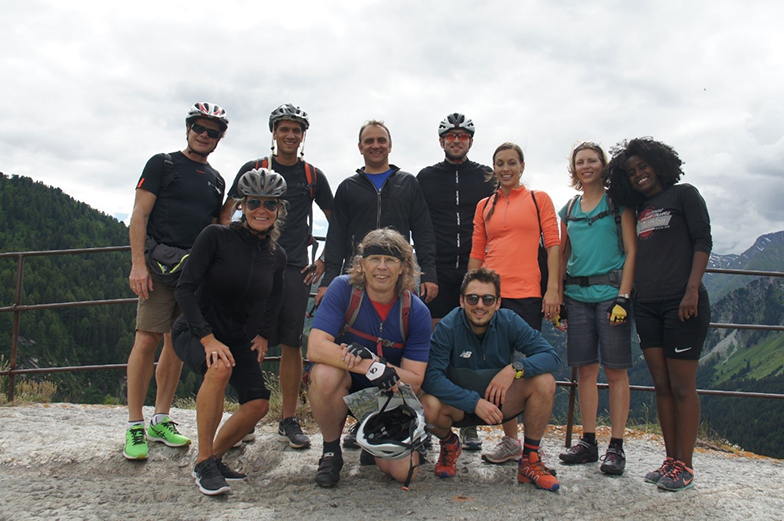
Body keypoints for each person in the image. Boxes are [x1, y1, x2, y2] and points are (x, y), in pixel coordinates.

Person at [221, 104, 333, 450]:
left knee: (290, 344)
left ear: (303, 136)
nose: (290, 135)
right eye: (284, 129)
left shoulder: (313, 176)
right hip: (253, 264)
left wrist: (325, 261)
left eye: (296, 130)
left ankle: (287, 418)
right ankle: (248, 414)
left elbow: (337, 220)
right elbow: (226, 215)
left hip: (295, 268)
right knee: (246, 339)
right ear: (274, 132)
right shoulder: (252, 170)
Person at [606, 137, 712, 492]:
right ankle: (670, 459)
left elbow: (702, 240)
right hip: (647, 307)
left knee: (683, 386)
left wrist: (692, 290)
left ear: (659, 164)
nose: (638, 175)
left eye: (643, 167)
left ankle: (686, 464)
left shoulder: (685, 194)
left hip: (682, 304)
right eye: (632, 172)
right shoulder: (638, 210)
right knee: (662, 386)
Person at [172, 168, 287, 495]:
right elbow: (184, 289)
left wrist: (264, 333)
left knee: (258, 405)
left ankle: (212, 458)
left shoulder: (276, 255)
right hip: (196, 331)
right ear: (242, 206)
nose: (261, 209)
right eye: (253, 203)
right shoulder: (215, 237)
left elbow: (275, 296)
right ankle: (204, 461)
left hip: (237, 337)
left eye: (269, 203)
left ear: (279, 208)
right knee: (219, 368)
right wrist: (207, 338)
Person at [124, 102, 228, 461]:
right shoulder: (162, 164)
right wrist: (138, 264)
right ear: (188, 129)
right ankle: (134, 424)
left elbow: (217, 228)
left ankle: (161, 418)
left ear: (220, 137)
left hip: (193, 273)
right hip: (157, 267)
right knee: (147, 338)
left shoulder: (216, 180)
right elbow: (138, 215)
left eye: (212, 131)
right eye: (199, 128)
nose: (204, 135)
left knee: (175, 343)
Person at [307, 228, 432, 487]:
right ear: (362, 264)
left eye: (391, 261)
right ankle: (331, 451)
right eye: (375, 259)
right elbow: (316, 348)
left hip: (389, 395)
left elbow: (416, 380)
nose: (382, 267)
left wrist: (377, 363)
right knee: (324, 373)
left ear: (403, 268)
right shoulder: (344, 289)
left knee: (404, 473)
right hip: (348, 382)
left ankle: (372, 441)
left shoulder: (415, 311)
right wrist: (371, 366)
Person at [420, 267, 561, 491]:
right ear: (462, 300)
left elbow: (551, 357)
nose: (479, 305)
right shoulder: (447, 327)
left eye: (487, 299)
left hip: (501, 403)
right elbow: (431, 378)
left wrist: (516, 368)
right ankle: (449, 445)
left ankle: (530, 461)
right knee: (427, 405)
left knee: (544, 381)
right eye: (472, 298)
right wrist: (473, 403)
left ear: (498, 302)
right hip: (459, 407)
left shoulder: (510, 321)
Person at [467, 142, 561, 464]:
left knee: (525, 368)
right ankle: (510, 441)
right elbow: (478, 250)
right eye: (499, 163)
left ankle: (533, 441)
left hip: (527, 293)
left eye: (511, 163)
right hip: (490, 296)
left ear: (522, 166)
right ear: (494, 168)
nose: (505, 169)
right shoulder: (484, 205)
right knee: (496, 365)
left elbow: (553, 244)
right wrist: (469, 292)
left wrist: (553, 288)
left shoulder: (539, 200)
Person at [416, 113, 495, 452]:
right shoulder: (426, 177)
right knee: (435, 347)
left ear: (471, 141)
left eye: (462, 136)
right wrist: (426, 271)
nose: (456, 140)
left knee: (473, 345)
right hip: (438, 269)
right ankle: (429, 419)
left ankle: (469, 423)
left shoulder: (486, 176)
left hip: (477, 270)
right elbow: (420, 227)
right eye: (450, 136)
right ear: (441, 141)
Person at [556, 142, 637, 475]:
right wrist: (558, 297)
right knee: (585, 371)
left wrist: (624, 297)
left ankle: (616, 446)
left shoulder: (618, 204)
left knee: (616, 372)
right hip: (576, 297)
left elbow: (632, 252)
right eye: (580, 162)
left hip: (611, 297)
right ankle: (589, 442)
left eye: (592, 161)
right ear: (573, 169)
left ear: (603, 165)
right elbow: (561, 256)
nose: (586, 166)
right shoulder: (569, 209)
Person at [318, 120, 438, 306]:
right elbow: (336, 236)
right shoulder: (348, 187)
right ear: (360, 147)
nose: (376, 145)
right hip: (356, 274)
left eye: (381, 140)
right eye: (369, 141)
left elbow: (423, 232)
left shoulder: (408, 183)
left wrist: (428, 273)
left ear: (390, 146)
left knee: (397, 330)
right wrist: (328, 280)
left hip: (398, 275)